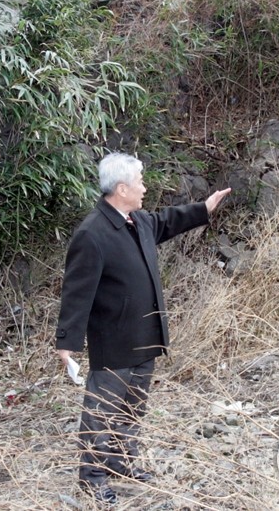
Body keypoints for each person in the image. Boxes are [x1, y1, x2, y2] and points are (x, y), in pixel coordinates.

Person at [55, 152, 230, 505]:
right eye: (140, 182)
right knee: (102, 410)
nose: (145, 188)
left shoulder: (137, 220)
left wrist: (203, 208)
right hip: (114, 338)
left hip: (145, 336)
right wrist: (67, 342)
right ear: (121, 189)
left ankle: (121, 463)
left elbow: (167, 221)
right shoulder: (93, 233)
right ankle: (92, 477)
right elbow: (77, 290)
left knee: (133, 407)